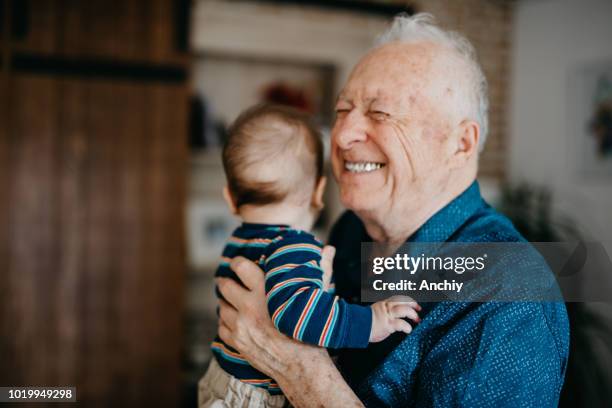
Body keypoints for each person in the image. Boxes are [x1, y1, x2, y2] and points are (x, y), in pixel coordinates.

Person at [215, 13, 570, 407]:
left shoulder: (509, 292)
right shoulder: (352, 230)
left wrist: (296, 365)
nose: (343, 135)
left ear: (462, 144)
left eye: (380, 113)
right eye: (341, 111)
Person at [199, 104, 421, 408]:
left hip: (222, 381)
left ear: (230, 198)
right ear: (318, 192)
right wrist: (371, 321)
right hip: (256, 397)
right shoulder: (294, 244)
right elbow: (296, 313)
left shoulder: (240, 241)